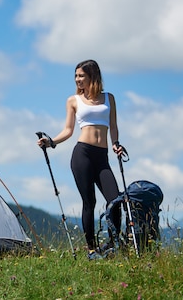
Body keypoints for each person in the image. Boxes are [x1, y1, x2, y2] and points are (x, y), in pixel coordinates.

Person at [37, 59, 124, 260]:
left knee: (115, 201)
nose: (77, 79)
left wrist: (116, 143)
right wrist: (51, 141)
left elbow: (113, 126)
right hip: (82, 154)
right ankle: (92, 250)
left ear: (92, 76)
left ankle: (112, 244)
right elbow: (68, 130)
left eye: (81, 76)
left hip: (102, 157)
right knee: (89, 202)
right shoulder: (74, 101)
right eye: (76, 76)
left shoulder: (109, 98)